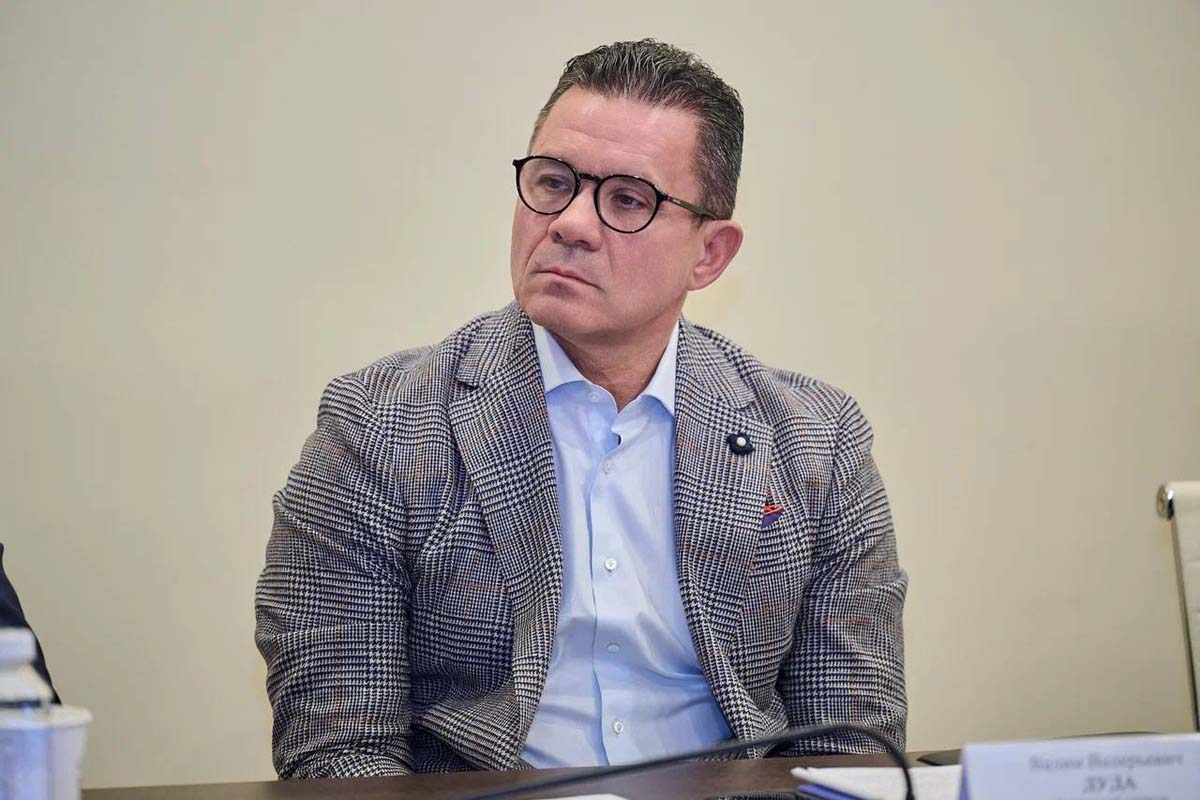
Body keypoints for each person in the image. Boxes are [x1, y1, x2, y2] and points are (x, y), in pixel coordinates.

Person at [255, 38, 907, 779]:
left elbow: (849, 749)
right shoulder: (377, 428)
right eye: (553, 182)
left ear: (710, 255)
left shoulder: (817, 443)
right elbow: (339, 753)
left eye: (627, 200)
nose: (569, 223)